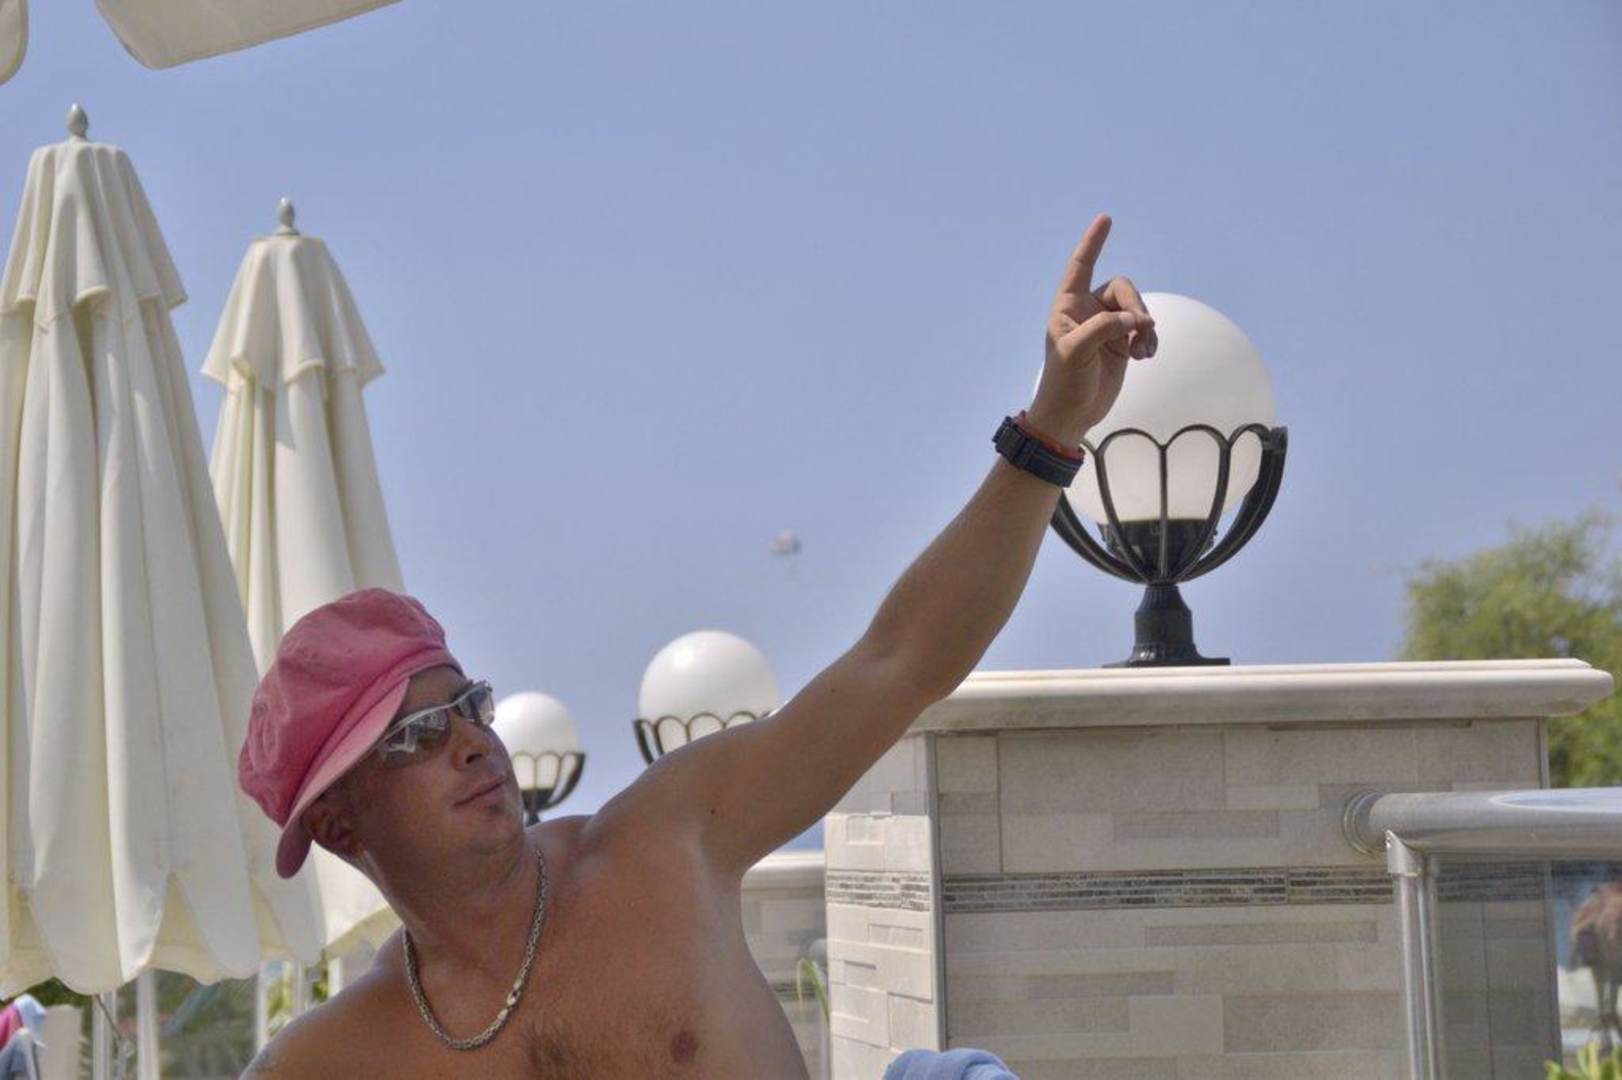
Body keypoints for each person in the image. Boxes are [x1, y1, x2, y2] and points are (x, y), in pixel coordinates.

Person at [239, 213, 1156, 1078]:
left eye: (468, 704)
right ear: (339, 825)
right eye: (417, 736)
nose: (475, 741)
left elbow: (898, 661)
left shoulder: (663, 845)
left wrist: (1049, 432)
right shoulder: (331, 1061)